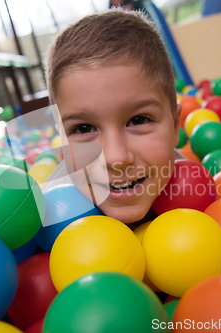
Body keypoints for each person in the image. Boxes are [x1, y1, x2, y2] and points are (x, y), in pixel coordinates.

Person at [44, 8, 182, 225]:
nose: (116, 158)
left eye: (138, 120)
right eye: (83, 128)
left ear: (175, 126)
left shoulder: (197, 191)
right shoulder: (49, 214)